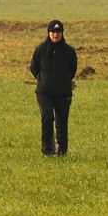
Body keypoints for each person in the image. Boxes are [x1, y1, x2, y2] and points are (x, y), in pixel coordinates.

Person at [29, 19, 78, 156]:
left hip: (63, 93)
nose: (55, 34)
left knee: (62, 122)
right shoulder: (40, 50)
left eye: (58, 32)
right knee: (47, 117)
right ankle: (47, 150)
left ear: (62, 33)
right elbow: (34, 68)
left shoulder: (69, 52)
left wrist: (63, 81)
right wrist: (44, 80)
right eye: (53, 32)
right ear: (48, 33)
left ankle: (62, 151)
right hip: (44, 92)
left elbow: (72, 70)